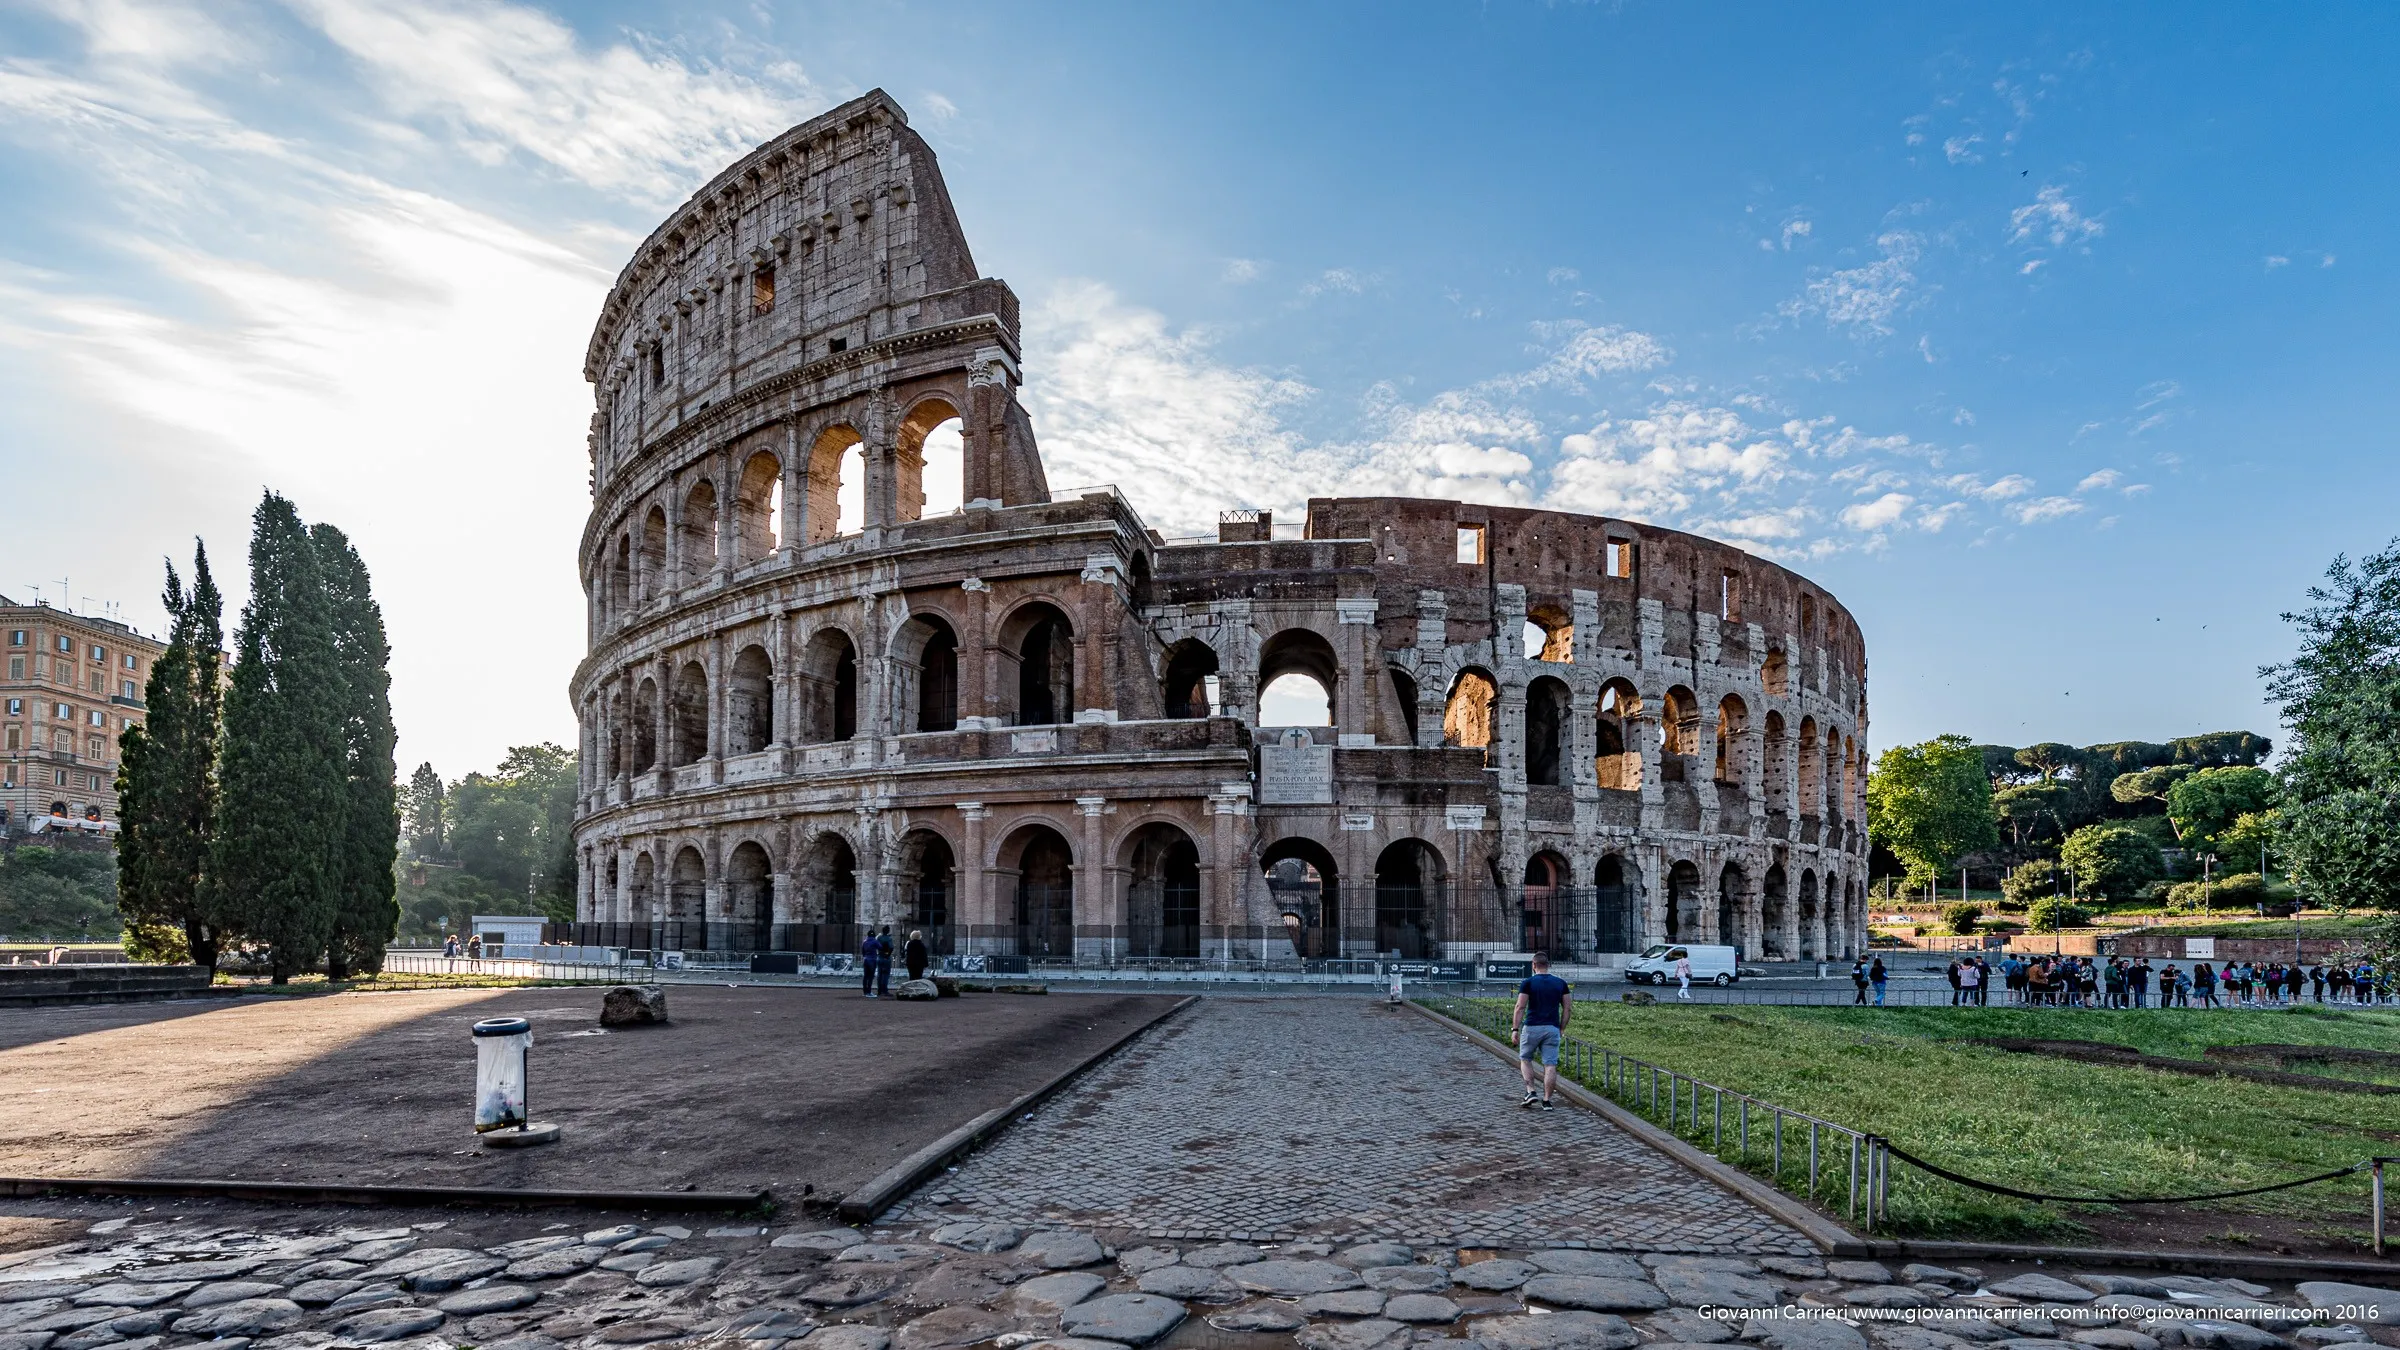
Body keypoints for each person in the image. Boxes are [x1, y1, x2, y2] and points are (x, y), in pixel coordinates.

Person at [1511, 951, 1573, 1109]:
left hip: (1532, 1027)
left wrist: (1515, 1029)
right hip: (1552, 1028)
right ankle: (1547, 1101)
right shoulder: (1561, 983)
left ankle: (1531, 1091)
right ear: (1548, 965)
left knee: (1526, 1059)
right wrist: (1562, 1027)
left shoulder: (1528, 982)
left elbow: (1520, 1007)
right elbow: (1567, 1008)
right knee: (1550, 1065)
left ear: (1533, 965)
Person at [875, 927, 895, 998]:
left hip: (879, 956)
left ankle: (879, 990)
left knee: (879, 974)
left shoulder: (878, 937)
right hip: (886, 958)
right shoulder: (889, 938)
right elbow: (891, 947)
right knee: (885, 975)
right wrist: (887, 955)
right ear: (888, 931)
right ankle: (884, 990)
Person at [859, 930, 880, 997]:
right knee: (871, 976)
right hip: (872, 960)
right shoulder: (875, 941)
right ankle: (869, 992)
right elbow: (880, 947)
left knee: (865, 976)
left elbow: (863, 952)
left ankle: (865, 992)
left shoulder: (865, 942)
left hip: (866, 960)